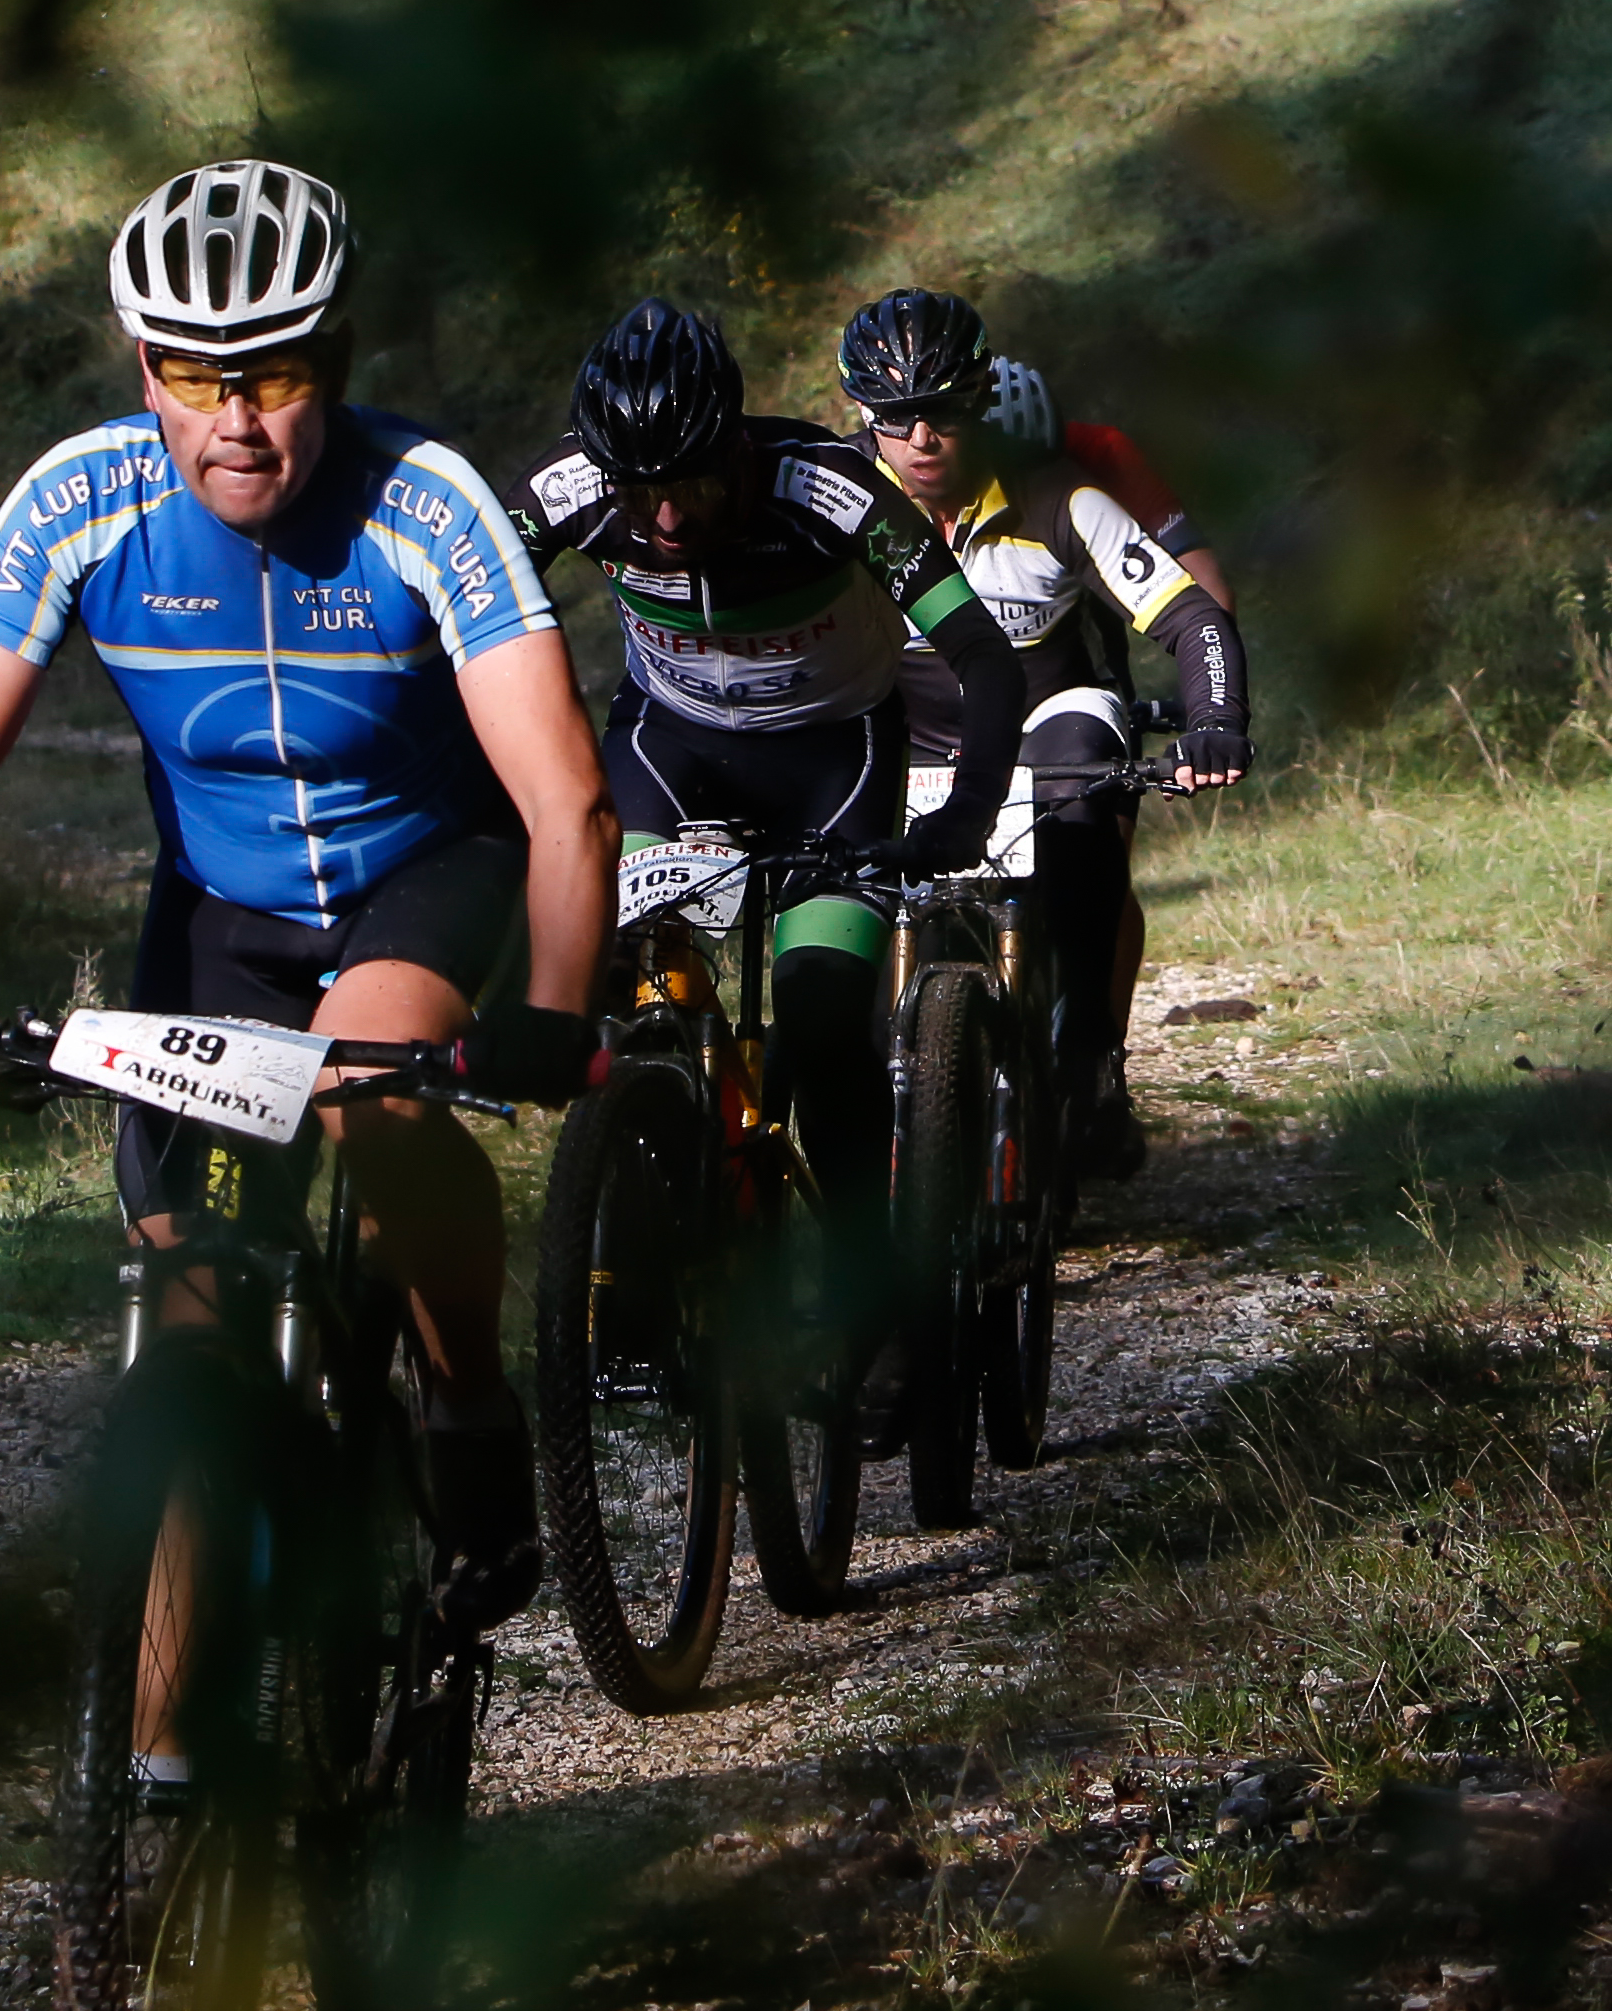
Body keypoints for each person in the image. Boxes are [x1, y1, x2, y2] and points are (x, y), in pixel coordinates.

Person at [0, 159, 618, 1632]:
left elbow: (564, 800)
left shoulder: (426, 500)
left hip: (424, 866)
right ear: (139, 368)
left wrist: (551, 1011)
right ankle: (164, 1749)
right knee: (187, 1302)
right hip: (222, 904)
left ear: (332, 360)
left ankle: (469, 1406)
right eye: (190, 375)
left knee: (362, 1094)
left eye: (271, 376)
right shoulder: (79, 502)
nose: (234, 421)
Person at [503, 298, 1023, 1411]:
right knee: (628, 987)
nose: (666, 514)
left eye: (692, 481)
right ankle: (644, 1248)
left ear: (736, 446)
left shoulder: (830, 490)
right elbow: (452, 627)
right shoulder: (568, 487)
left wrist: (969, 812)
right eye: (637, 490)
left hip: (831, 760)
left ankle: (875, 1300)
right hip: (668, 750)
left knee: (823, 1011)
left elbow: (984, 657)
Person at [838, 294, 1253, 1182]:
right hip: (907, 728)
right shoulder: (837, 499)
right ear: (861, 415)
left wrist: (1217, 722)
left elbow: (1195, 619)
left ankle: (1089, 1046)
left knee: (1079, 795)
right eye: (896, 417)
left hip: (1047, 712)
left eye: (943, 411)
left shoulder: (1060, 494)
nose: (921, 439)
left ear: (979, 400)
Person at [985, 356, 1240, 1050]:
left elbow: (1205, 589)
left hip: (1080, 679)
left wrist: (1208, 694)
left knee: (1100, 858)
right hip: (955, 697)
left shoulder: (1100, 456)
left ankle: (1102, 1054)